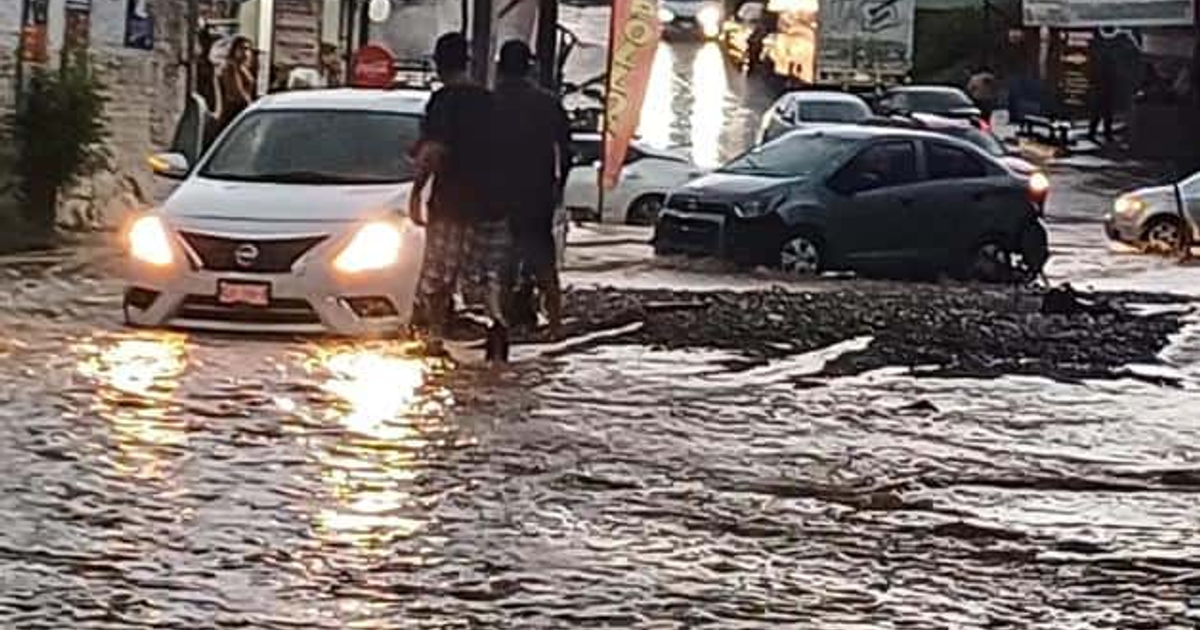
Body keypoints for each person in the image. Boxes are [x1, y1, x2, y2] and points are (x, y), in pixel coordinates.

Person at [409, 33, 510, 361]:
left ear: (439, 64)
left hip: (452, 203)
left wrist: (415, 193)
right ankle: (497, 325)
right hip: (493, 203)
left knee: (439, 275)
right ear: (467, 62)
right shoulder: (491, 101)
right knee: (485, 274)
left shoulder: (443, 101)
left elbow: (433, 152)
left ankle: (435, 338)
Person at [491, 40, 572, 338]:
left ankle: (501, 325)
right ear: (531, 67)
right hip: (538, 194)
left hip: (498, 196)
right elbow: (566, 152)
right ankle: (555, 325)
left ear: (500, 68)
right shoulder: (548, 103)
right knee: (545, 264)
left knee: (503, 264)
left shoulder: (490, 102)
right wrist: (558, 187)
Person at [216, 36, 257, 131]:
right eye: (242, 48)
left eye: (248, 49)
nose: (245, 53)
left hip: (241, 113)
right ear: (234, 50)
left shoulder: (242, 68)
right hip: (231, 115)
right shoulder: (230, 67)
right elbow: (236, 94)